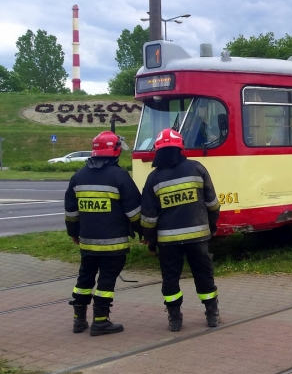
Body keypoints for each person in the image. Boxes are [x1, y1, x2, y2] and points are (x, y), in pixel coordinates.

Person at [140, 128, 221, 331]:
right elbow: (212, 203)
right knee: (203, 274)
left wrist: (150, 240)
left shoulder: (153, 178)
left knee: (170, 278)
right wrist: (212, 224)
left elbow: (149, 217)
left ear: (157, 150)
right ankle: (212, 314)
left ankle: (175, 319)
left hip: (168, 242)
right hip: (198, 237)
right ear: (181, 147)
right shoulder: (197, 168)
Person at [64, 131, 141, 335]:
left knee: (84, 278)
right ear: (115, 151)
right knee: (106, 281)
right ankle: (100, 321)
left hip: (87, 243)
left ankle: (78, 320)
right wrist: (146, 234)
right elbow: (134, 212)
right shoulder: (119, 176)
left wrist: (73, 233)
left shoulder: (78, 176)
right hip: (113, 245)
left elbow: (71, 212)